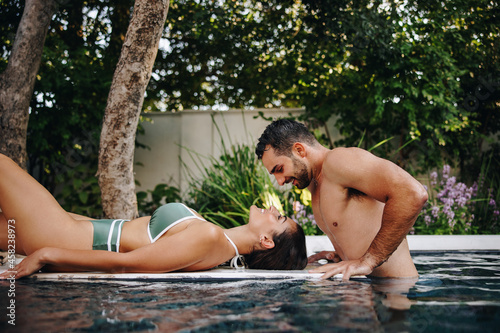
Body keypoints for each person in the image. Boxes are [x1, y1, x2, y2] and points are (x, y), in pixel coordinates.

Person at [0, 153, 307, 280]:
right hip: (73, 227)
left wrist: (46, 253)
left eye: (279, 218)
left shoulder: (210, 239)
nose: (274, 210)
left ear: (266, 242)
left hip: (61, 237)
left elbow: (128, 263)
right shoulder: (216, 238)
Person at [255, 119, 428, 280]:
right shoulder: (315, 185)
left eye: (279, 169)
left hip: (395, 290)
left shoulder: (338, 161)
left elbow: (412, 194)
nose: (280, 181)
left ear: (299, 150)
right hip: (364, 291)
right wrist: (343, 254)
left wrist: (368, 260)